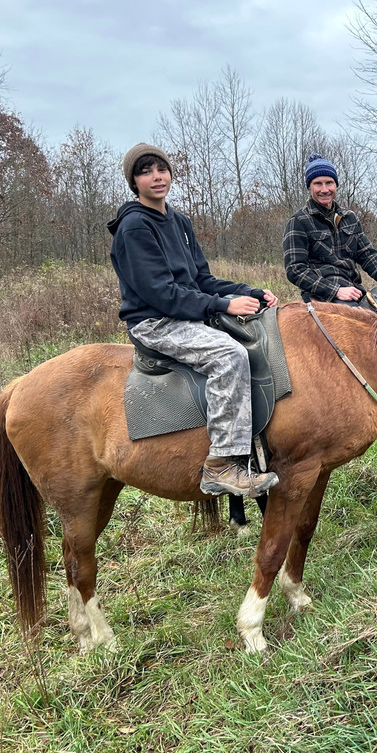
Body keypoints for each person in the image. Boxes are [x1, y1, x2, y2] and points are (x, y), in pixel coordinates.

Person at [107, 142, 279, 498]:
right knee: (229, 356)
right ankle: (220, 466)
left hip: (185, 312)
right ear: (134, 182)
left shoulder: (180, 222)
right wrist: (222, 306)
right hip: (156, 321)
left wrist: (248, 291)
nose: (156, 177)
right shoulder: (134, 227)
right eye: (145, 171)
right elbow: (161, 293)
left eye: (161, 169)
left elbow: (201, 281)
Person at [283, 153, 377, 306]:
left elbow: (368, 256)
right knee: (364, 327)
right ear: (309, 187)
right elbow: (295, 269)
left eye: (329, 182)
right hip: (322, 298)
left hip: (354, 291)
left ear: (336, 185)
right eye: (318, 184)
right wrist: (335, 290)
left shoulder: (349, 218)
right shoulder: (299, 221)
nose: (325, 189)